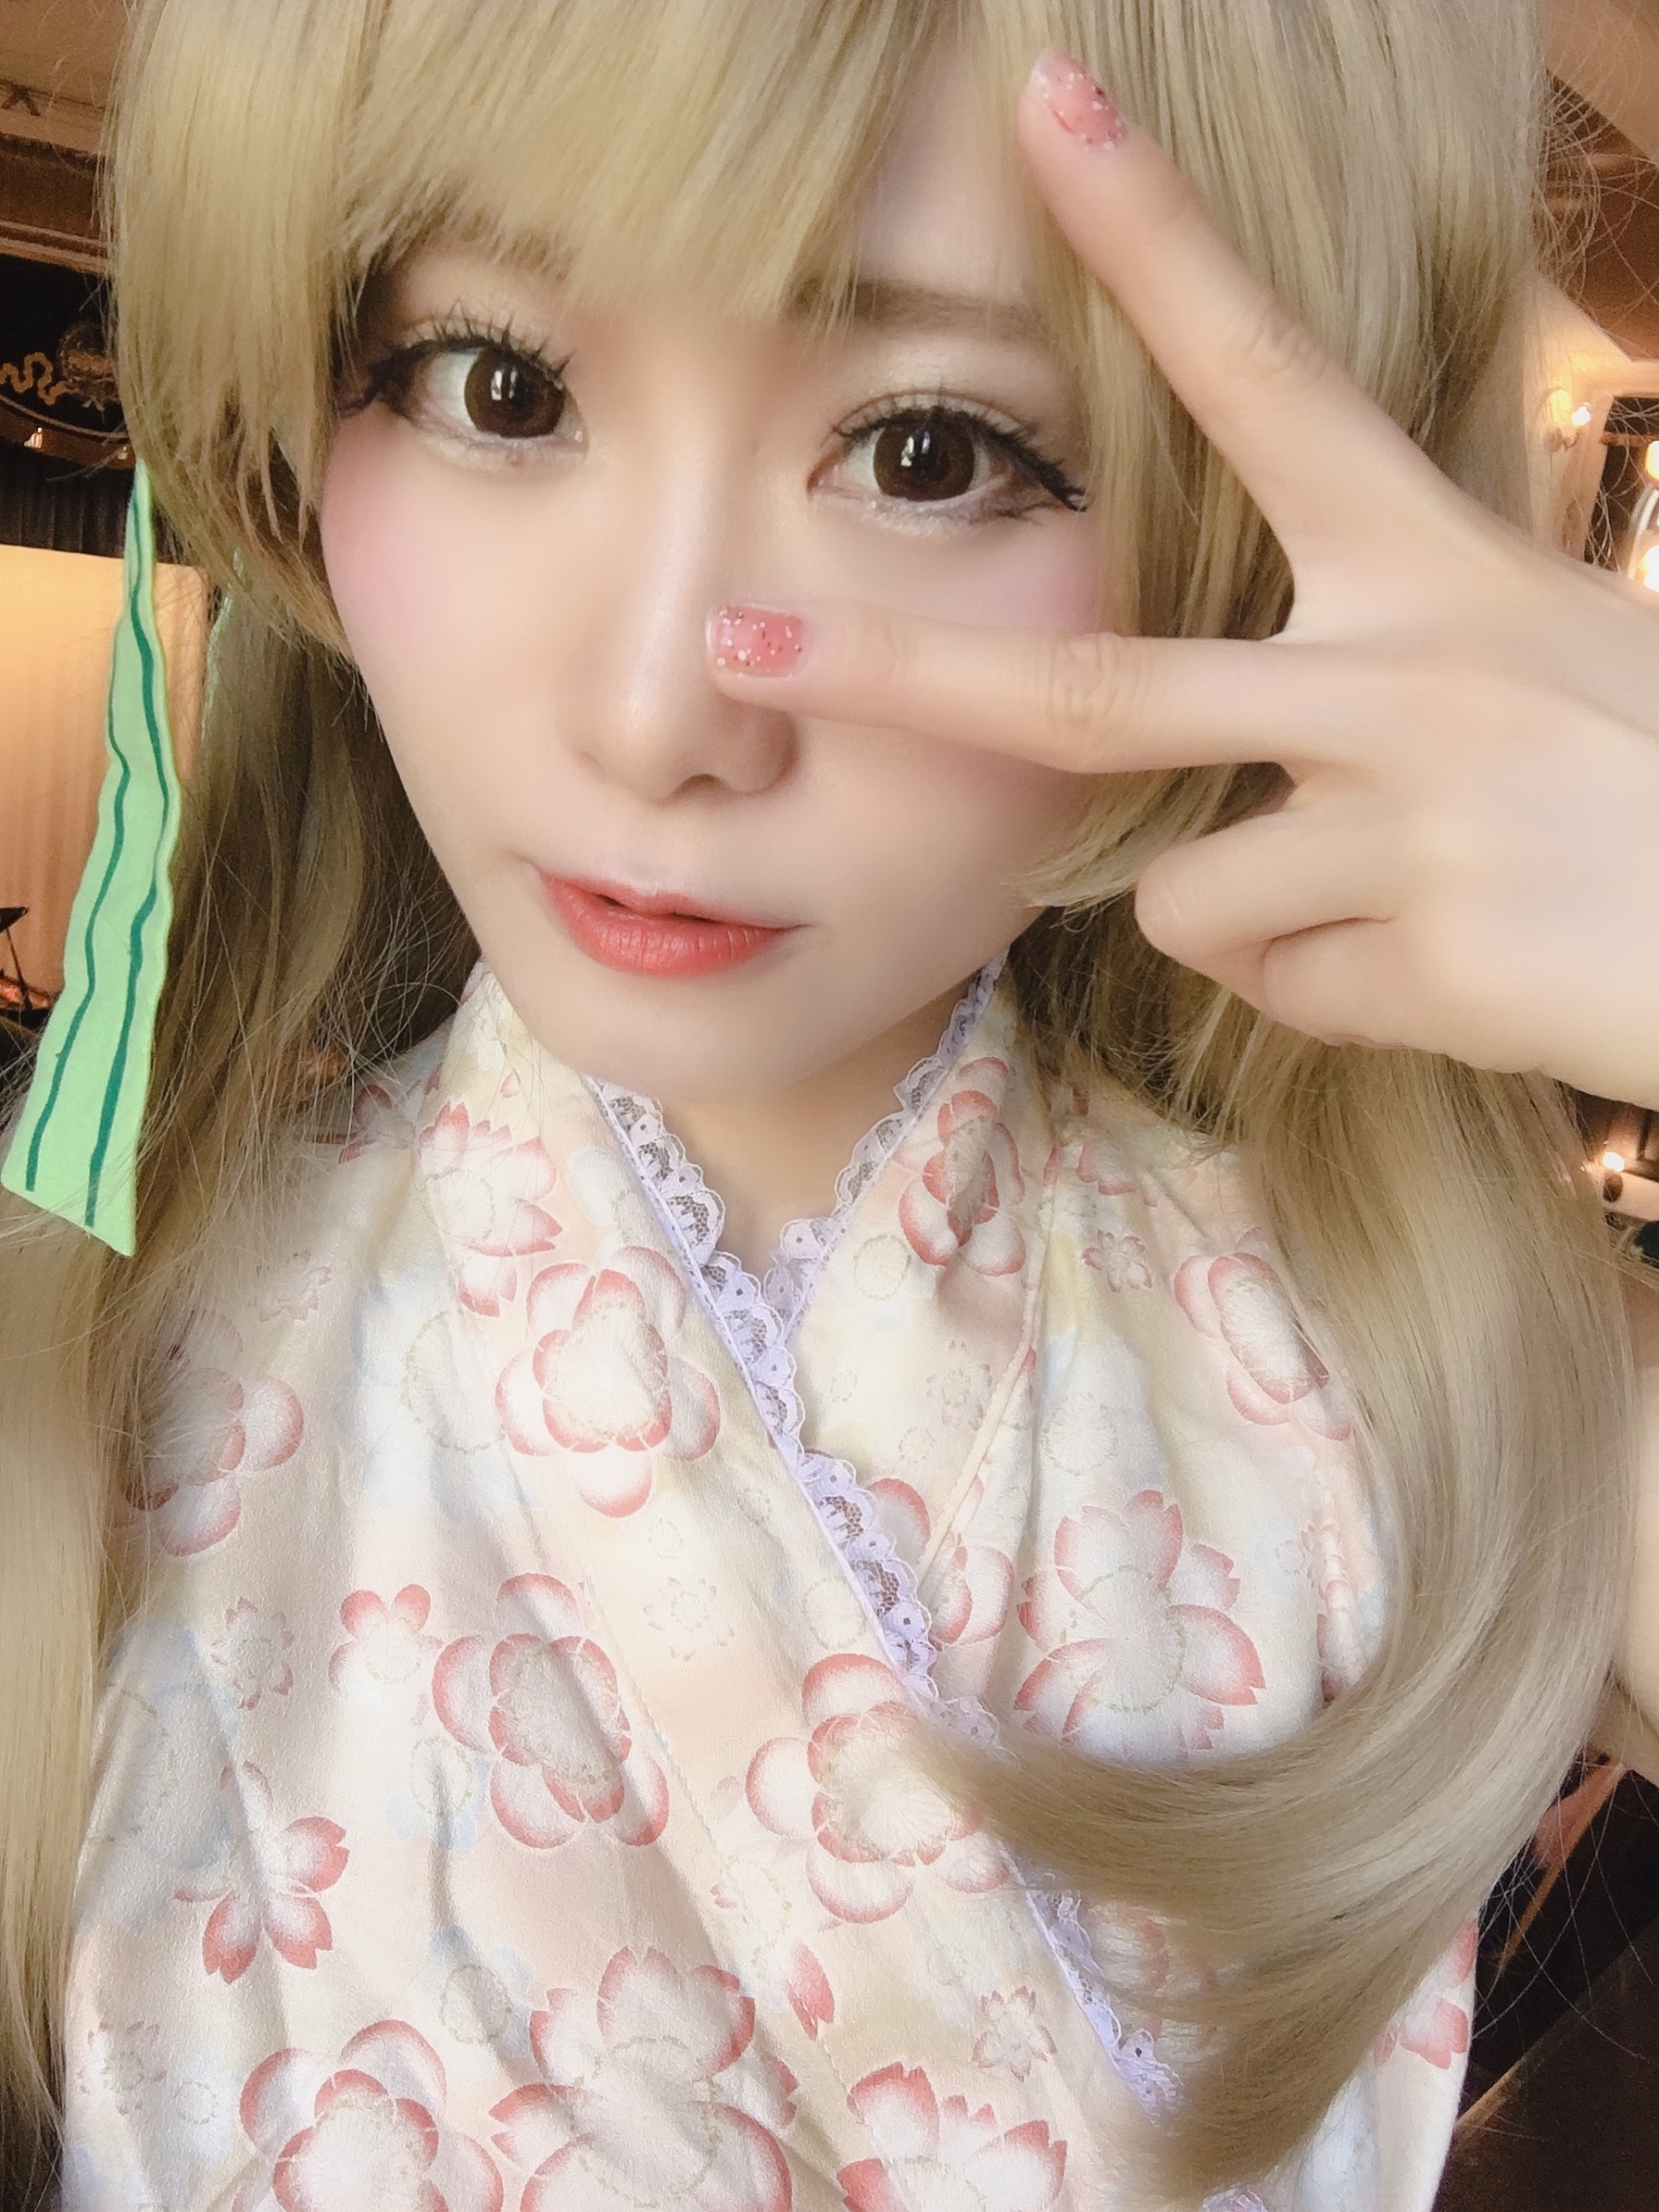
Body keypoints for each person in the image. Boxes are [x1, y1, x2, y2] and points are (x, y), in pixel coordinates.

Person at [4, 2, 1658, 2206]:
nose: (652, 714)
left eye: (933, 452)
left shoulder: (1445, 1384)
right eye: (497, 386)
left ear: (1245, 532)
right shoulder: (94, 1396)